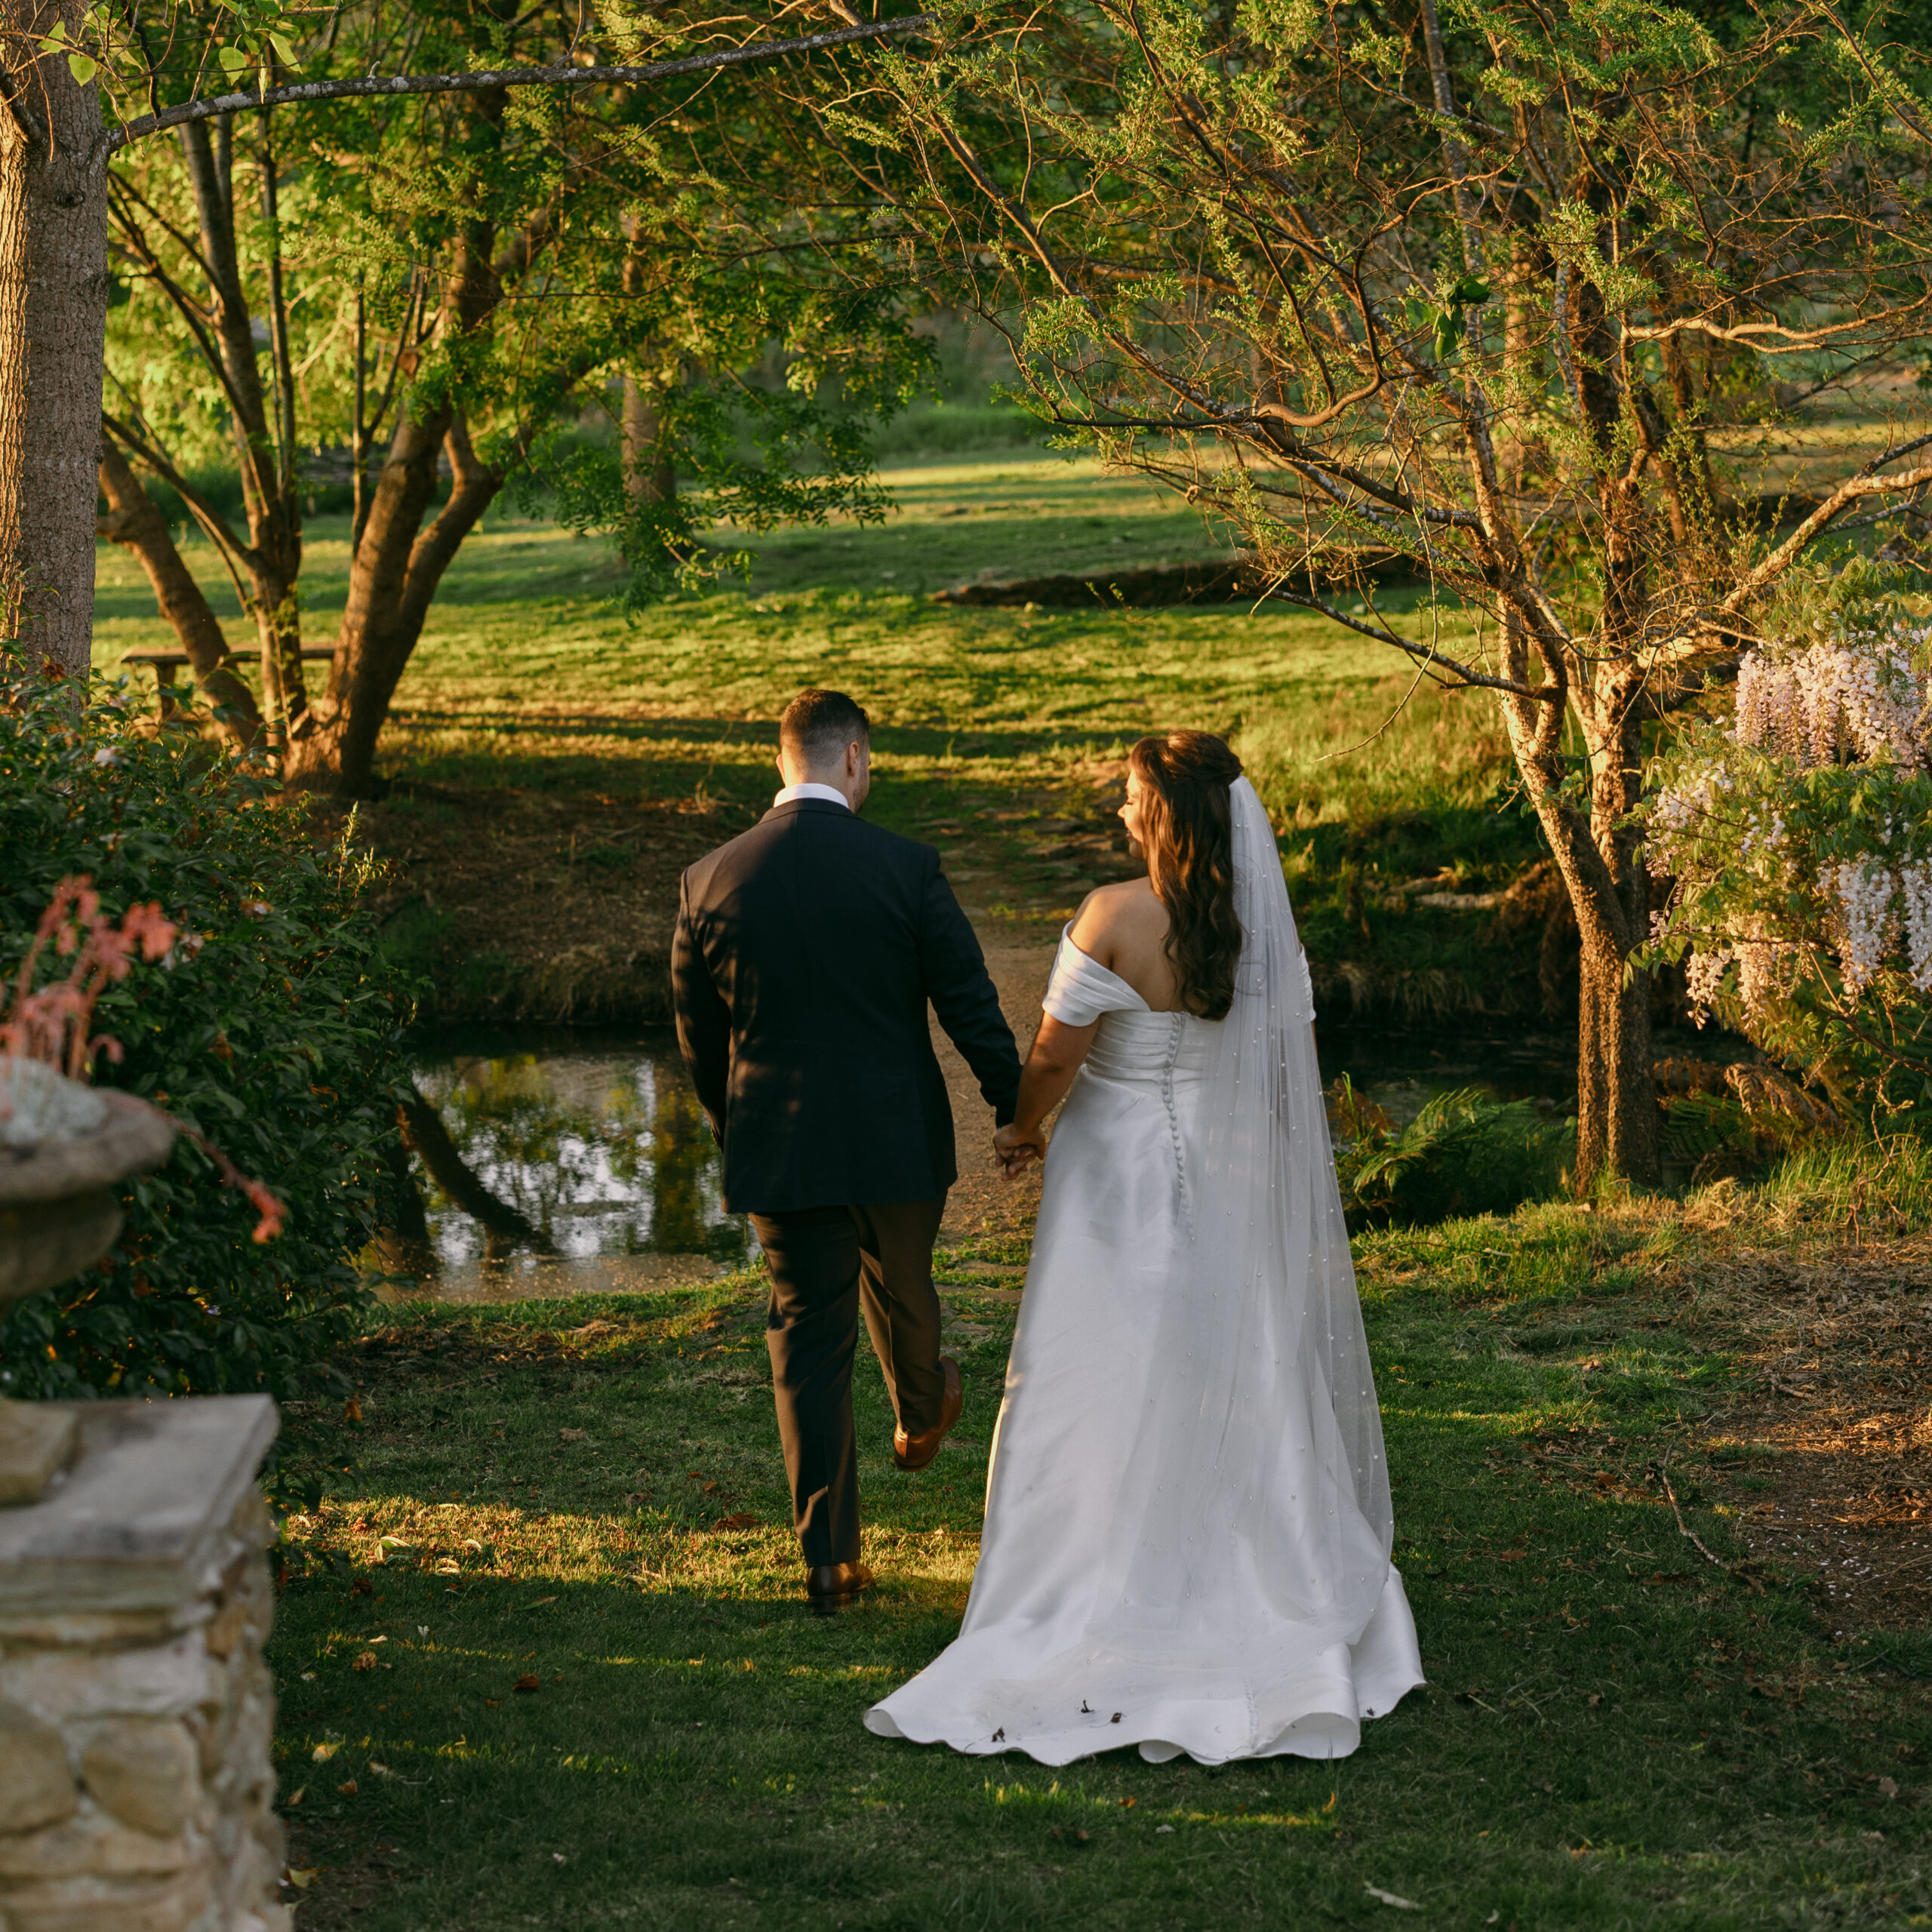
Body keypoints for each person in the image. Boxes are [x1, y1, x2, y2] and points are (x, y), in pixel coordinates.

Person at [866, 731, 1423, 1763]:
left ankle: (1094, 1573)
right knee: (1238, 1364)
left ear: (1167, 815)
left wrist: (1022, 1130)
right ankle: (1261, 1568)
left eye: (1131, 799)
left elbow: (1053, 1058)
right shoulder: (1264, 930)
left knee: (1106, 1370)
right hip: (1235, 1176)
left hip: (1114, 1188)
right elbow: (1290, 1073)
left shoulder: (1112, 917)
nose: (1121, 814)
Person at [672, 688, 1023, 1609]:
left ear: (780, 763)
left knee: (808, 1338)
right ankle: (919, 1409)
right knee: (903, 1281)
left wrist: (729, 1121)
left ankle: (828, 1560)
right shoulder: (904, 867)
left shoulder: (710, 878)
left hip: (778, 1146)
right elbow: (967, 996)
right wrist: (1011, 1105)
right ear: (856, 757)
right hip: (895, 1134)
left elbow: (697, 1038)